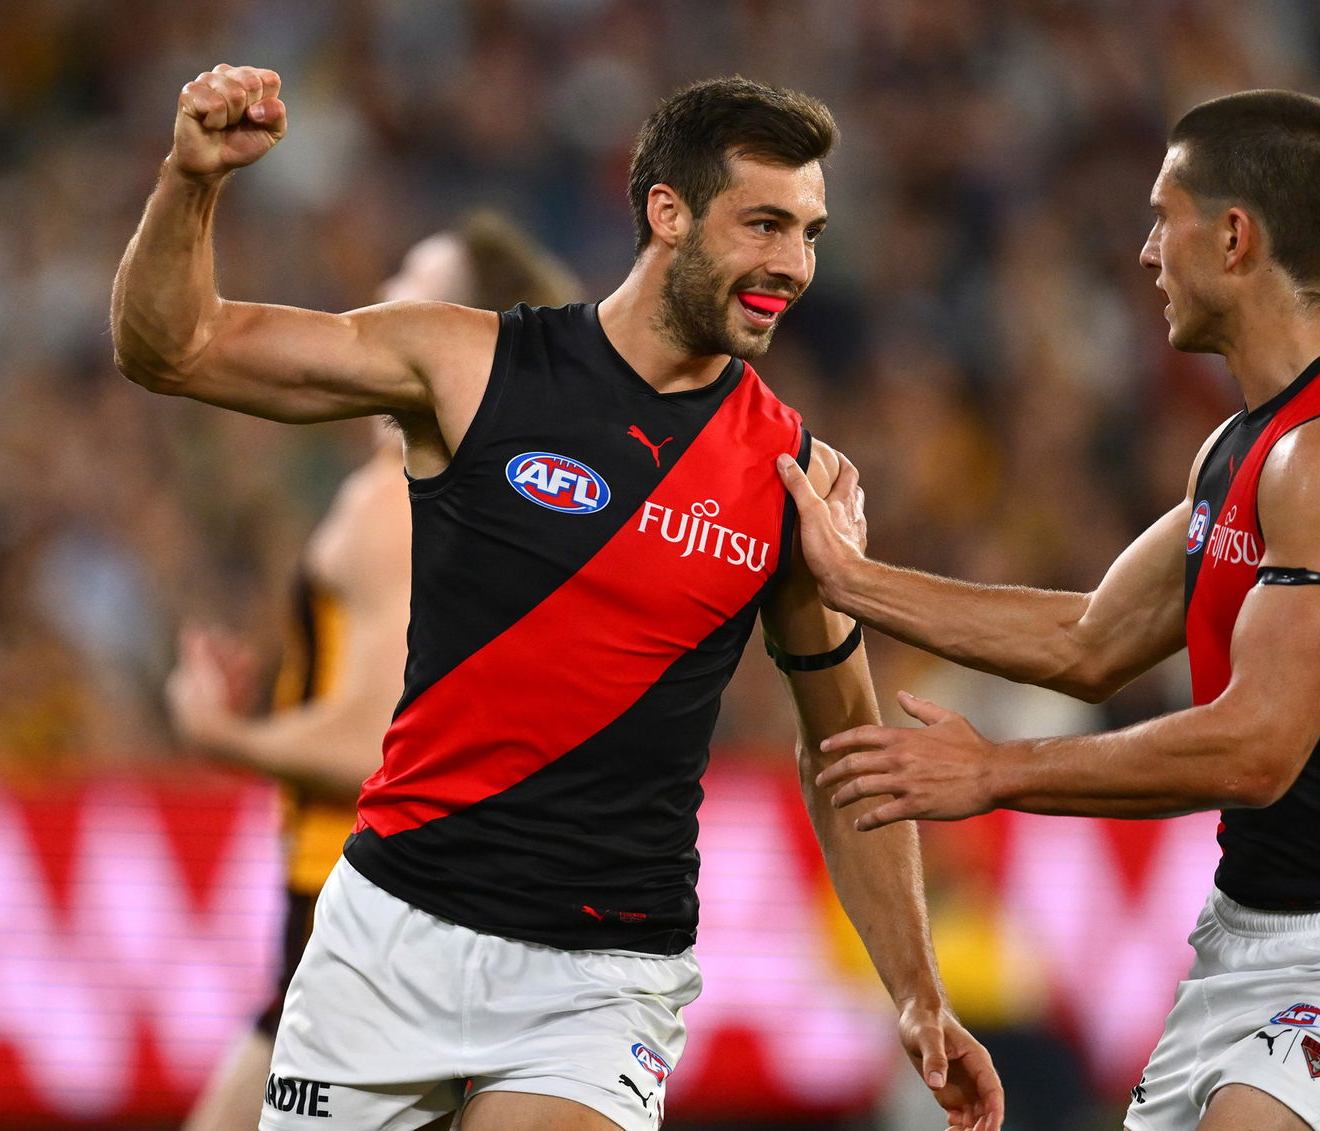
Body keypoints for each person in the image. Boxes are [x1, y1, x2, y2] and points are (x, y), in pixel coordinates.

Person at [112, 65, 1002, 1131]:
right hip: (392, 935)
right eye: (764, 225)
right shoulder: (469, 367)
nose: (793, 265)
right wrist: (190, 179)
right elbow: (176, 348)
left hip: (601, 973)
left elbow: (846, 751)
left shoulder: (792, 479)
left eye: (809, 231)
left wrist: (915, 990)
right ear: (666, 213)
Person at [779, 90, 1320, 1131]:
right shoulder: (1242, 447)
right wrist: (851, 580)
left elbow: (1254, 749)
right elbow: (1089, 640)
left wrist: (994, 772)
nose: (1148, 251)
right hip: (1245, 936)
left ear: (1234, 237)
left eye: (1165, 217)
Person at [168, 212, 580, 1131]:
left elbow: (372, 745)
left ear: (459, 324)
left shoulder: (391, 502)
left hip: (353, 898)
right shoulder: (510, 504)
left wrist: (219, 733)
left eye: (411, 276)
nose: (383, 293)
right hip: (452, 895)